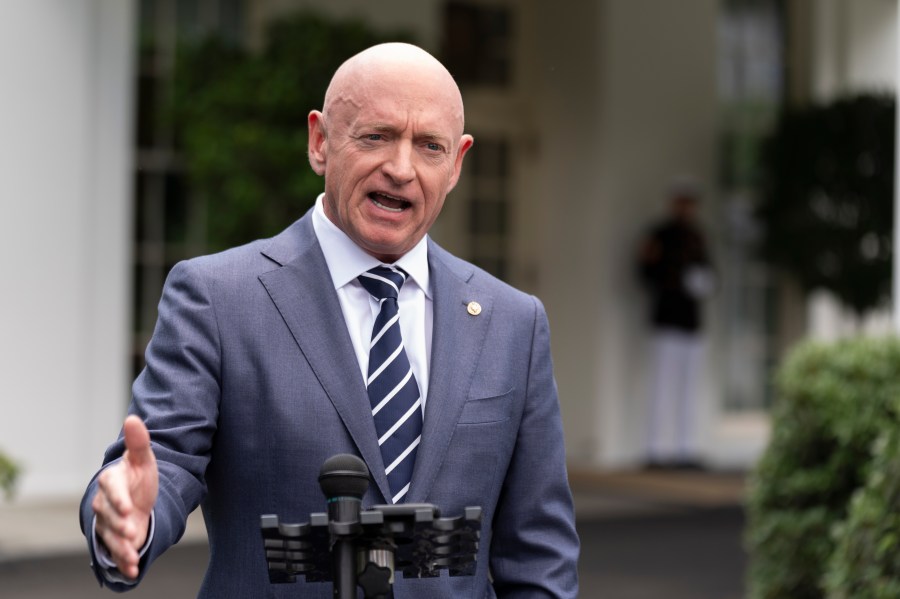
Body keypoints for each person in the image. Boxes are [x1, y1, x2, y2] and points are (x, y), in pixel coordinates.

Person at [80, 42, 579, 598]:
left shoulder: (514, 322)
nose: (401, 167)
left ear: (457, 163)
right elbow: (162, 462)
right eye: (376, 136)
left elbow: (540, 557)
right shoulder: (218, 298)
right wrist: (129, 518)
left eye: (429, 146)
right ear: (320, 142)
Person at [637, 180, 714, 470]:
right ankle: (655, 448)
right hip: (666, 319)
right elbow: (645, 272)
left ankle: (686, 447)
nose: (686, 208)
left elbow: (709, 271)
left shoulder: (698, 236)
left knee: (689, 386)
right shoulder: (660, 235)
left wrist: (703, 283)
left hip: (691, 322)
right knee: (662, 385)